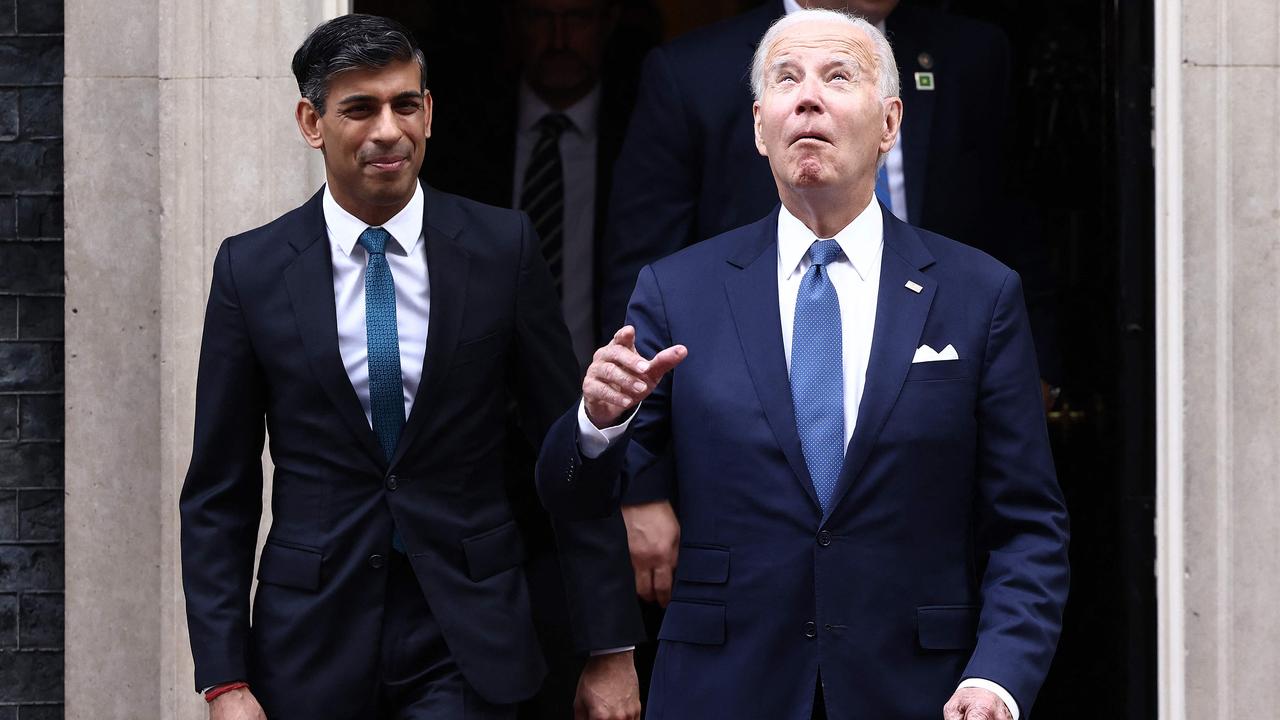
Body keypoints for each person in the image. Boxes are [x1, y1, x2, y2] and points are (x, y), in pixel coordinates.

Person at [539, 9, 1069, 719]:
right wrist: (596, 426)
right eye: (786, 80)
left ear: (889, 123)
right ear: (761, 128)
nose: (808, 97)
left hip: (919, 691)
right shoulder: (679, 290)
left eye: (837, 76)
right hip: (724, 689)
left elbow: (1028, 526)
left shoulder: (979, 295)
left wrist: (997, 678)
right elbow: (576, 501)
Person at [179, 14, 642, 720]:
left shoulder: (501, 248)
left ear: (428, 112)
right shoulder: (253, 269)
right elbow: (219, 492)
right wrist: (224, 679)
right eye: (359, 109)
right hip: (310, 638)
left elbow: (564, 452)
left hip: (467, 633)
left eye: (403, 105)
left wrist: (610, 647)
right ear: (312, 121)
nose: (387, 130)